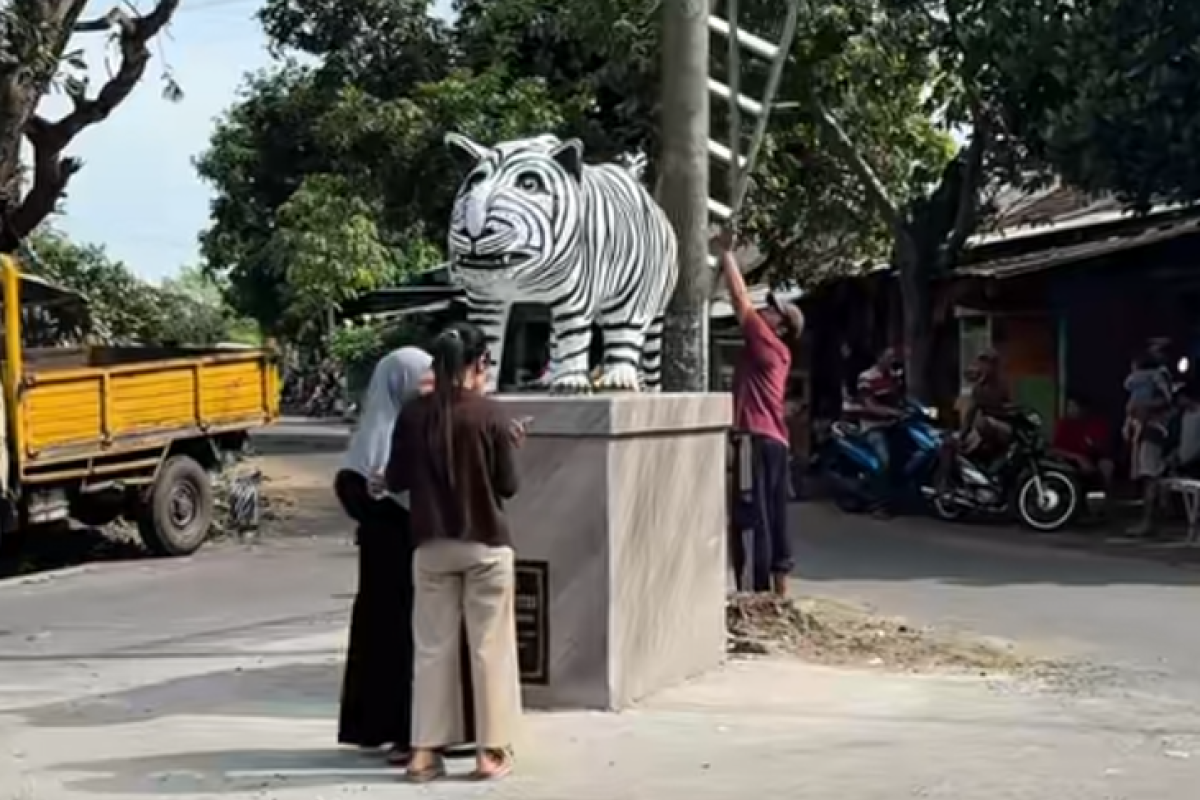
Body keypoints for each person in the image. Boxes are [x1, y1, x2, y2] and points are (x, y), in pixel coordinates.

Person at [387, 323, 526, 783]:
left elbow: (396, 480)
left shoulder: (412, 415)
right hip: (485, 544)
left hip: (430, 546)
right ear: (479, 364)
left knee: (431, 651)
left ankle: (424, 753)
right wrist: (510, 443)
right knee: (490, 650)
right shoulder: (492, 415)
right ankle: (490, 754)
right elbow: (508, 485)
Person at [333, 347, 475, 766]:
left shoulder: (367, 449)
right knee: (407, 645)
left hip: (386, 573)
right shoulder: (400, 436)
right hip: (403, 572)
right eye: (422, 379)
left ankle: (388, 729)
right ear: (400, 383)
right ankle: (410, 734)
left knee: (388, 644)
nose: (429, 386)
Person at [717, 229, 805, 596]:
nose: (765, 310)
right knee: (775, 514)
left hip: (756, 437)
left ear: (781, 326)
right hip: (775, 441)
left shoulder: (768, 343)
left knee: (754, 517)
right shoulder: (779, 353)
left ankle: (755, 593)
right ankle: (779, 591)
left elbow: (740, 300)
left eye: (773, 310)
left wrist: (726, 254)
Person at [1125, 343, 1175, 536]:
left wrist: (1144, 407)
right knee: (1147, 476)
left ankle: (1148, 522)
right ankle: (1151, 519)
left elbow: (1167, 401)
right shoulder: (1143, 382)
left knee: (1150, 477)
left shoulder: (1159, 378)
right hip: (1143, 430)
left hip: (1153, 431)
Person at [853, 347, 906, 515]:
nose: (891, 360)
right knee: (884, 462)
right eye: (888, 357)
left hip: (894, 424)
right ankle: (878, 504)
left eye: (894, 357)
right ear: (879, 358)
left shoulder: (894, 377)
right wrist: (890, 412)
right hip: (873, 426)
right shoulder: (866, 378)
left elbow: (902, 399)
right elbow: (868, 404)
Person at [1052, 394, 1115, 493]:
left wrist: (1094, 446)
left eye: (1073, 407)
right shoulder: (1063, 424)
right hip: (1068, 460)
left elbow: (1103, 448)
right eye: (1068, 406)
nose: (1069, 410)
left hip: (1091, 459)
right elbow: (1055, 449)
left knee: (1107, 465)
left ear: (1083, 409)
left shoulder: (1096, 424)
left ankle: (1103, 494)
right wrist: (1077, 458)